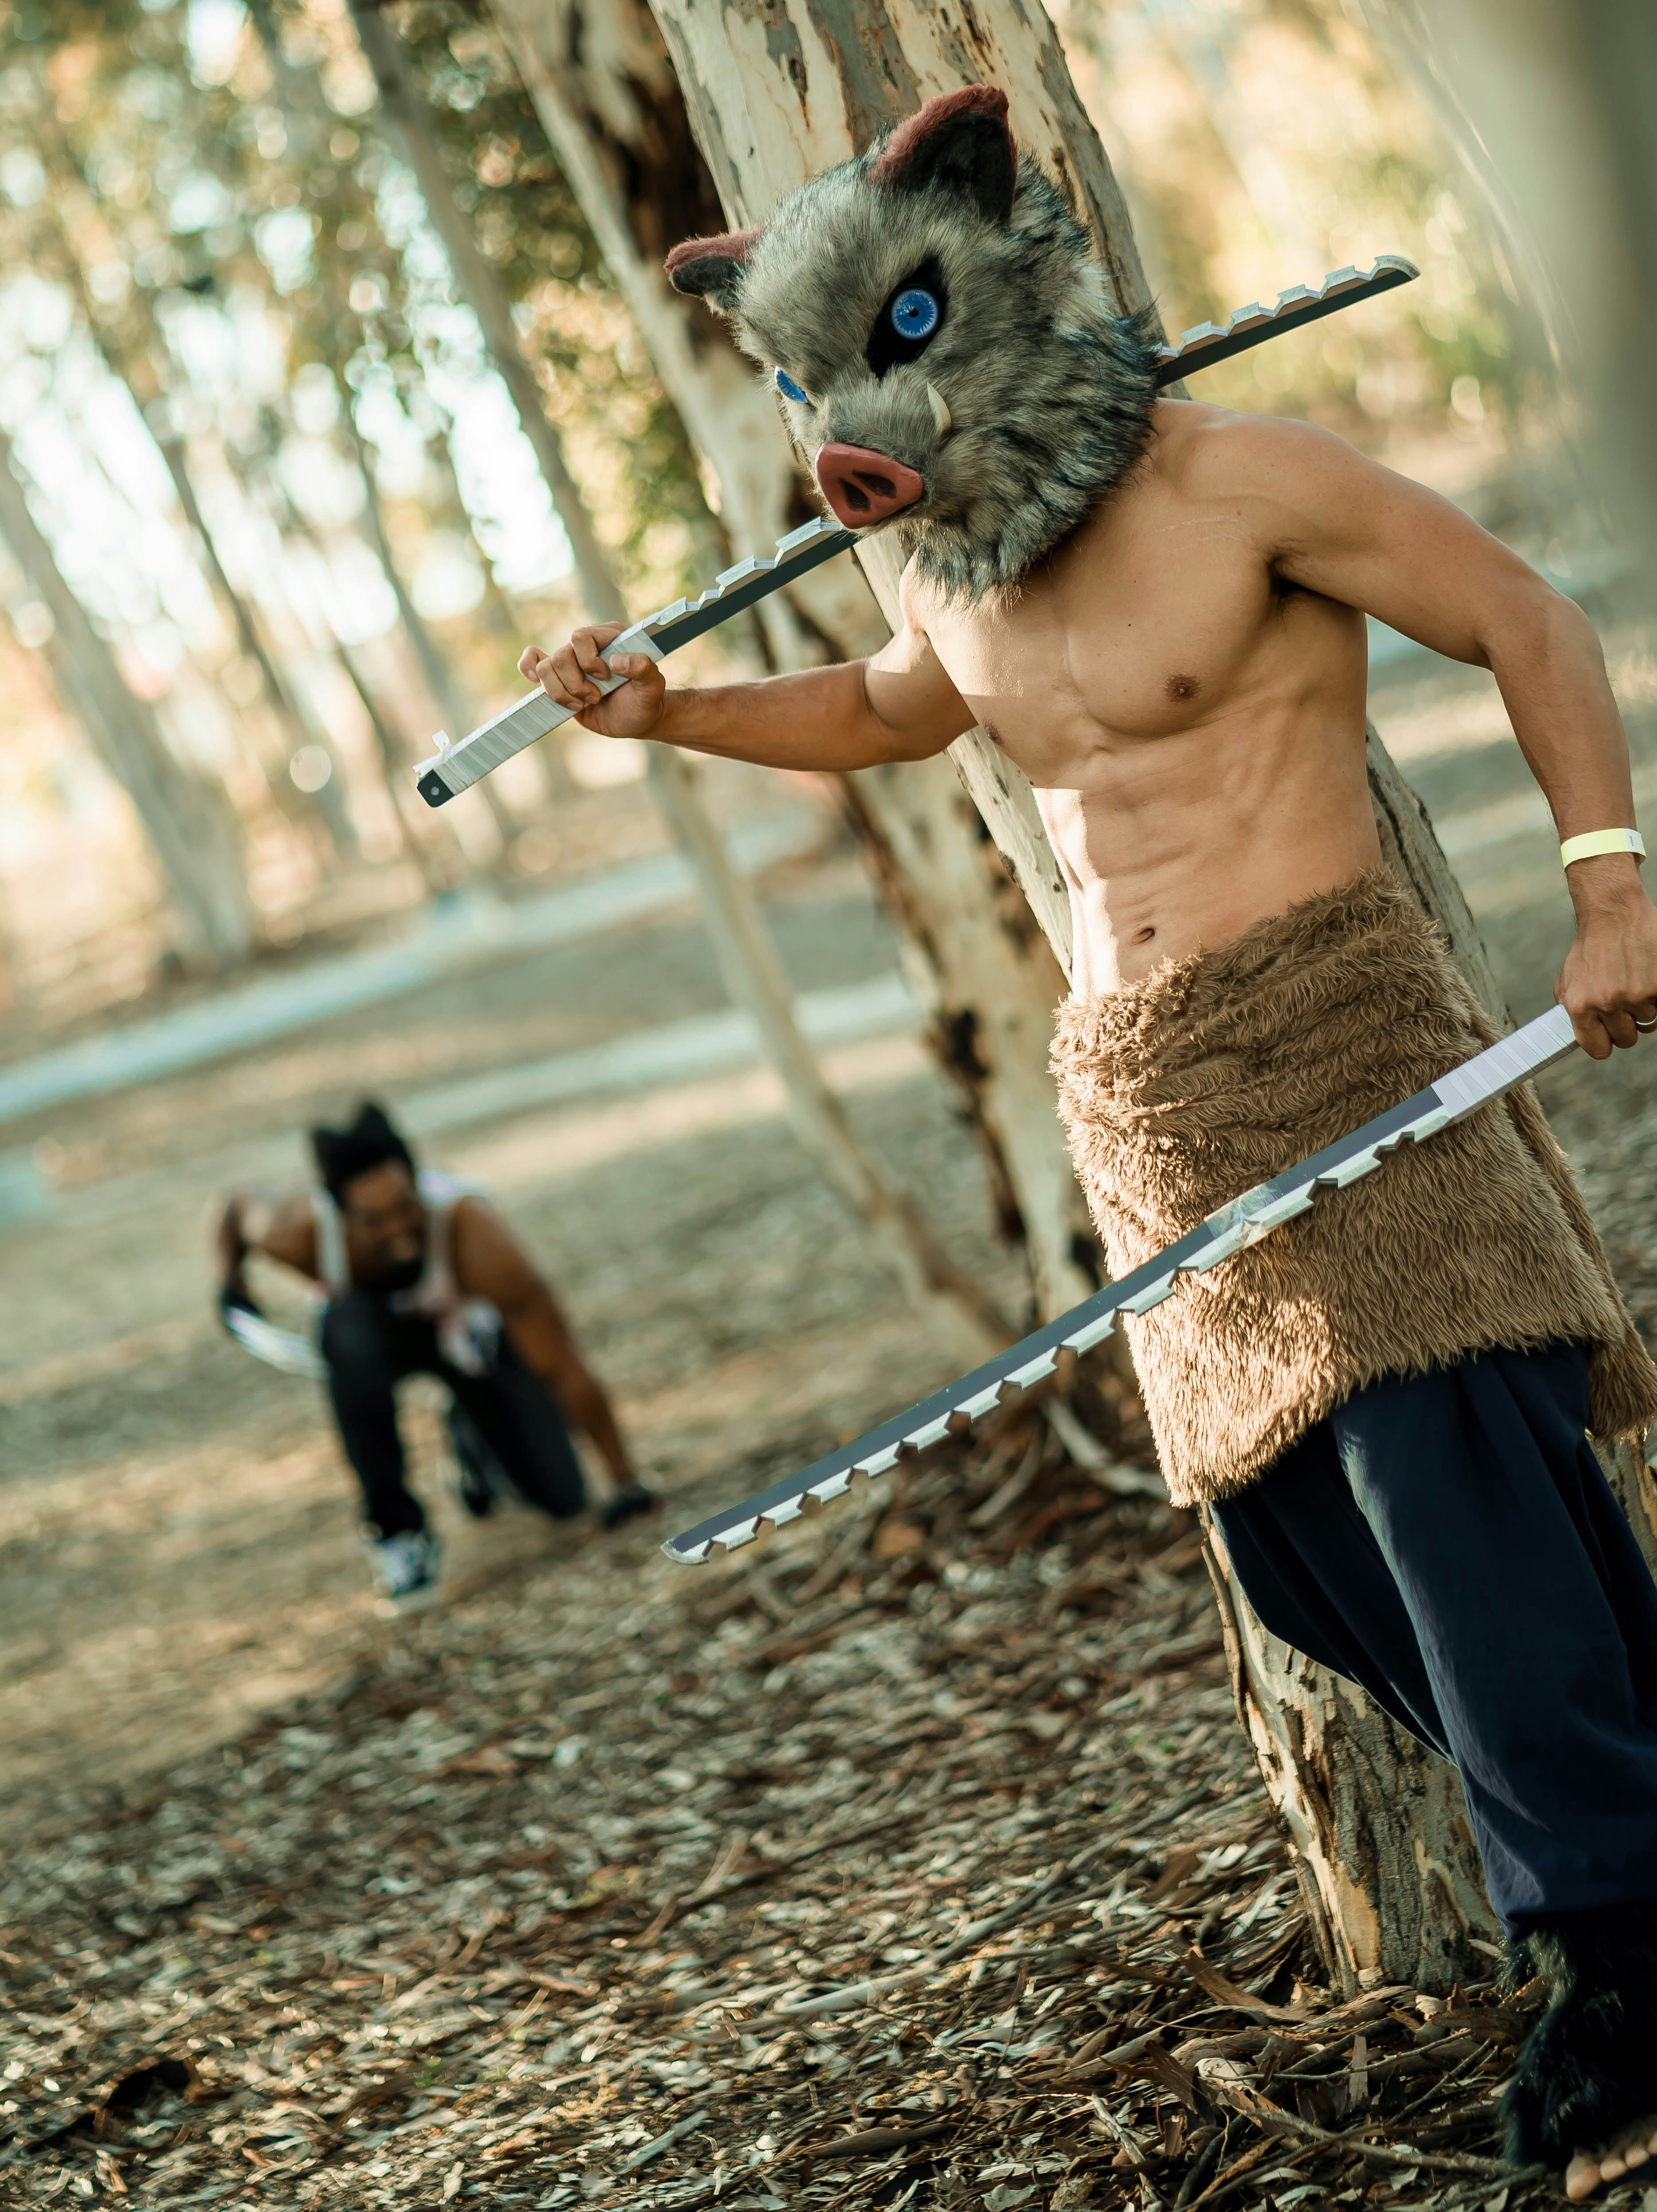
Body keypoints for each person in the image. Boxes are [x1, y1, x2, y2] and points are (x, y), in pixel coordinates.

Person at [520, 87, 1657, 2200]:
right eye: (807, 382)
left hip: (1342, 1052)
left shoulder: (1241, 487)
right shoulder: (940, 570)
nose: (847, 422)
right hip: (1151, 1117)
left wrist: (1606, 881)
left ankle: (1613, 1955)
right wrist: (662, 710)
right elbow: (881, 714)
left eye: (888, 344)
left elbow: (1528, 619)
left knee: (1448, 1489)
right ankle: (1632, 1834)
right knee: (1306, 1558)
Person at [215, 1102, 654, 1611]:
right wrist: (231, 1281)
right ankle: (398, 1533)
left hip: (467, 1343)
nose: (397, 1231)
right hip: (373, 1338)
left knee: (561, 1497)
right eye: (374, 1220)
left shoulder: (474, 1234)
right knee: (347, 1330)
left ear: (418, 1183)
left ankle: (473, 1447)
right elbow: (232, 1205)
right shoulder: (295, 1231)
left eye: (406, 1207)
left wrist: (626, 1481)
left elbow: (562, 1363)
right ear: (339, 1211)